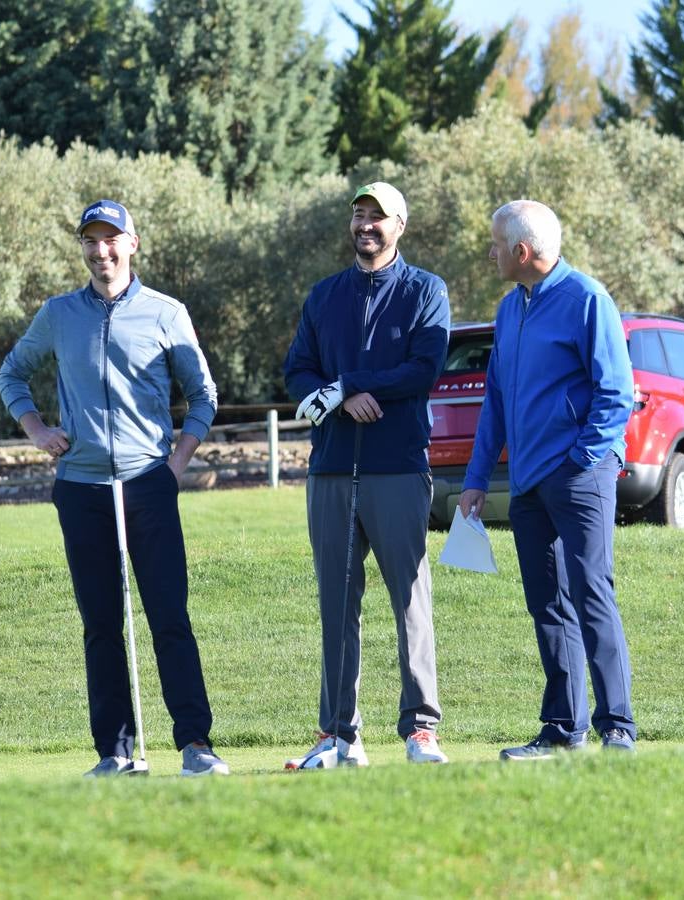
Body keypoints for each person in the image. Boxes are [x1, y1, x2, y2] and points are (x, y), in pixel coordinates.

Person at [0, 199, 230, 777]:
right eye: (90, 241)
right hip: (82, 488)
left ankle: (195, 745)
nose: (101, 251)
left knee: (168, 616)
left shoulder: (165, 313)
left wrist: (176, 463)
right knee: (101, 624)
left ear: (133, 243)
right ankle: (115, 752)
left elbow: (204, 396)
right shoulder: (58, 314)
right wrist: (36, 428)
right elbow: (12, 373)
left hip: (148, 482)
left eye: (111, 240)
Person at [457, 199, 638, 759]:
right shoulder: (510, 309)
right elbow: (497, 400)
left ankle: (618, 729)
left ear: (521, 251)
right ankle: (563, 730)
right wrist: (477, 476)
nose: (489, 253)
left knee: (591, 593)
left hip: (580, 476)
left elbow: (616, 394)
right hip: (528, 483)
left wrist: (583, 460)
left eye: (494, 245)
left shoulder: (588, 299)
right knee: (547, 605)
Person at [282, 181, 452, 767]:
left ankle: (421, 730)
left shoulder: (427, 291)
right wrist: (339, 394)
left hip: (398, 469)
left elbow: (422, 370)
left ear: (399, 225)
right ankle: (338, 736)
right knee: (337, 604)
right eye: (358, 215)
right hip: (330, 470)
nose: (365, 226)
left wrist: (354, 384)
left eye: (377, 217)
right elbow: (297, 371)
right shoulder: (323, 296)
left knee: (411, 601)